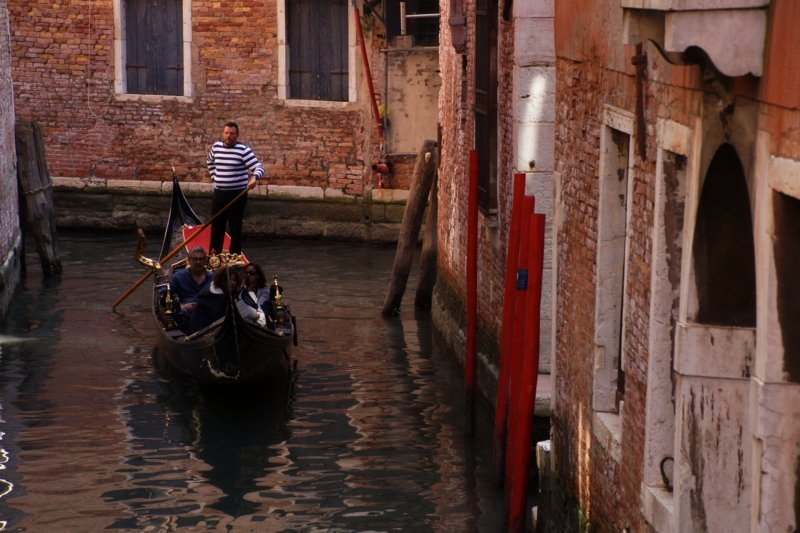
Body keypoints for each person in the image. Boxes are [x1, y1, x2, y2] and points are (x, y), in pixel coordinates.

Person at [207, 121, 265, 255]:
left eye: (232, 134)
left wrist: (254, 178)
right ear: (223, 134)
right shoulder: (216, 147)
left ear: (237, 135)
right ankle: (214, 257)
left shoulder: (243, 150)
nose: (229, 136)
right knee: (216, 226)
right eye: (226, 133)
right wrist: (214, 177)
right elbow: (210, 162)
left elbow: (259, 167)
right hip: (219, 193)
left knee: (235, 228)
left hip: (237, 194)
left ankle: (235, 257)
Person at [188, 265, 244, 334]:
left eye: (234, 280)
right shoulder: (211, 297)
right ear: (222, 280)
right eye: (228, 280)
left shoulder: (226, 292)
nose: (232, 283)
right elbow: (221, 319)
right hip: (200, 332)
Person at [169, 246, 213, 316]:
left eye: (201, 259)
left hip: (207, 311)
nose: (198, 262)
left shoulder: (213, 278)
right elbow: (168, 297)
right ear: (189, 260)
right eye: (195, 259)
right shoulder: (177, 277)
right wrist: (182, 306)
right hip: (185, 312)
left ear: (205, 261)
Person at [236, 262, 275, 329]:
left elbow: (258, 308)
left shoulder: (265, 291)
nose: (248, 275)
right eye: (246, 273)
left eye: (251, 273)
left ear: (257, 275)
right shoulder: (241, 290)